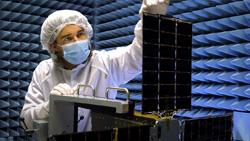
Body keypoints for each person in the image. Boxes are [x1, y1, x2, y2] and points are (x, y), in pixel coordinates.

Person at [20, 0, 170, 132]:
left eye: (80, 34)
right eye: (68, 38)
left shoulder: (105, 63)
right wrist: (48, 107)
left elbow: (138, 56)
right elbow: (26, 121)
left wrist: (150, 20)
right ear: (54, 46)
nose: (77, 41)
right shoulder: (43, 70)